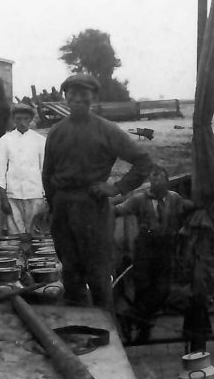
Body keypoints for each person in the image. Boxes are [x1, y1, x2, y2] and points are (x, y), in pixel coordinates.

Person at [42, 73, 153, 311]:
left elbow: (143, 161)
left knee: (98, 273)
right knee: (70, 271)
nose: (77, 100)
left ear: (93, 98)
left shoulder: (107, 130)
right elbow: (47, 174)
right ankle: (77, 325)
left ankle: (105, 327)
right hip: (62, 209)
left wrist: (116, 188)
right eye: (72, 95)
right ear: (66, 97)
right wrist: (54, 206)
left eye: (83, 95)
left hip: (93, 207)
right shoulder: (56, 131)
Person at [114, 165, 194, 343]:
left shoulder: (174, 198)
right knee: (143, 288)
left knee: (162, 290)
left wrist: (201, 207)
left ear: (167, 181)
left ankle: (130, 316)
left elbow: (186, 207)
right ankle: (143, 333)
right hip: (145, 247)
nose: (156, 182)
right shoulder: (139, 199)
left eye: (159, 178)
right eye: (153, 178)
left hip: (165, 247)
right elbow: (118, 210)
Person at [0, 103, 46, 236]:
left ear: (31, 119)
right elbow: (0, 167)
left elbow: (44, 169)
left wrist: (45, 195)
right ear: (13, 119)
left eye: (25, 119)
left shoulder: (40, 140)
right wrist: (3, 196)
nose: (22, 122)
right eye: (18, 119)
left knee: (35, 234)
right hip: (13, 194)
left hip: (35, 194)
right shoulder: (5, 140)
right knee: (15, 235)